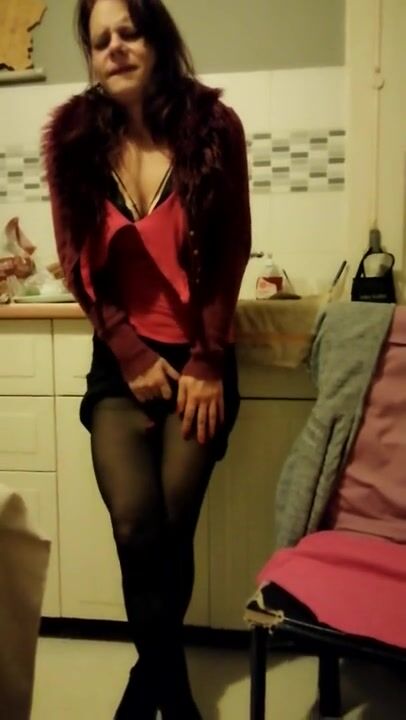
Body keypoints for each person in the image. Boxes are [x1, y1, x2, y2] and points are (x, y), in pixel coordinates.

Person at [42, 0, 251, 717]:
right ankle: (169, 683)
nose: (115, 48)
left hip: (200, 358)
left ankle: (150, 683)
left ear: (156, 39)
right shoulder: (73, 141)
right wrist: (130, 354)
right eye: (100, 40)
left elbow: (229, 250)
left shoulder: (213, 128)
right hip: (121, 359)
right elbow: (75, 262)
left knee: (171, 526)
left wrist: (208, 360)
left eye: (128, 32)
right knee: (135, 525)